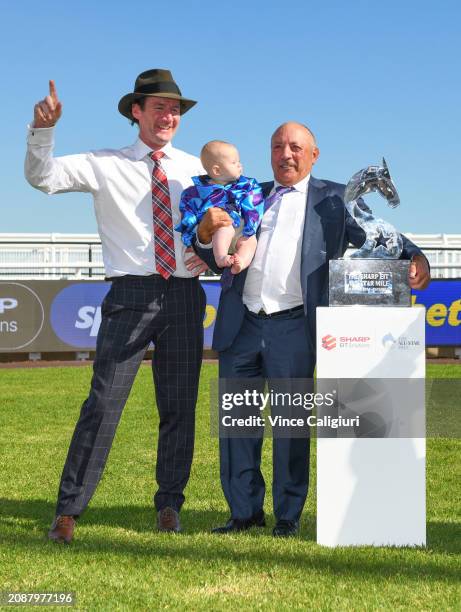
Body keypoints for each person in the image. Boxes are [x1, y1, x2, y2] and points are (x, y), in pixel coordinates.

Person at [194, 122, 431, 537]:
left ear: (314, 154)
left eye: (295, 147)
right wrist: (203, 234)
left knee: (290, 427)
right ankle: (244, 512)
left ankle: (287, 516)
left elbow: (383, 235)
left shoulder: (336, 199)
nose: (286, 154)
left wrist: (417, 256)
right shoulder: (245, 193)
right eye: (277, 146)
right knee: (238, 428)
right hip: (241, 325)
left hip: (295, 327)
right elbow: (215, 253)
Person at [25, 69, 209, 543]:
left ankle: (170, 504)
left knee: (179, 407)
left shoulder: (196, 168)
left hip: (187, 295)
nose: (168, 116)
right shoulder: (104, 162)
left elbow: (217, 225)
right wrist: (43, 130)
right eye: (159, 108)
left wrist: (206, 251)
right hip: (130, 294)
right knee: (103, 403)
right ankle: (68, 510)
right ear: (137, 112)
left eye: (175, 109)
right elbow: (42, 178)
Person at [175, 140, 264, 274]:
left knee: (250, 241)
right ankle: (221, 257)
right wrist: (189, 237)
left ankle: (240, 261)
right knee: (224, 230)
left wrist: (250, 226)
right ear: (217, 170)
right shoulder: (197, 192)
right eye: (234, 163)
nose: (240, 165)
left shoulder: (247, 185)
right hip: (222, 227)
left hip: (243, 228)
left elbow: (255, 204)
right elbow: (188, 215)